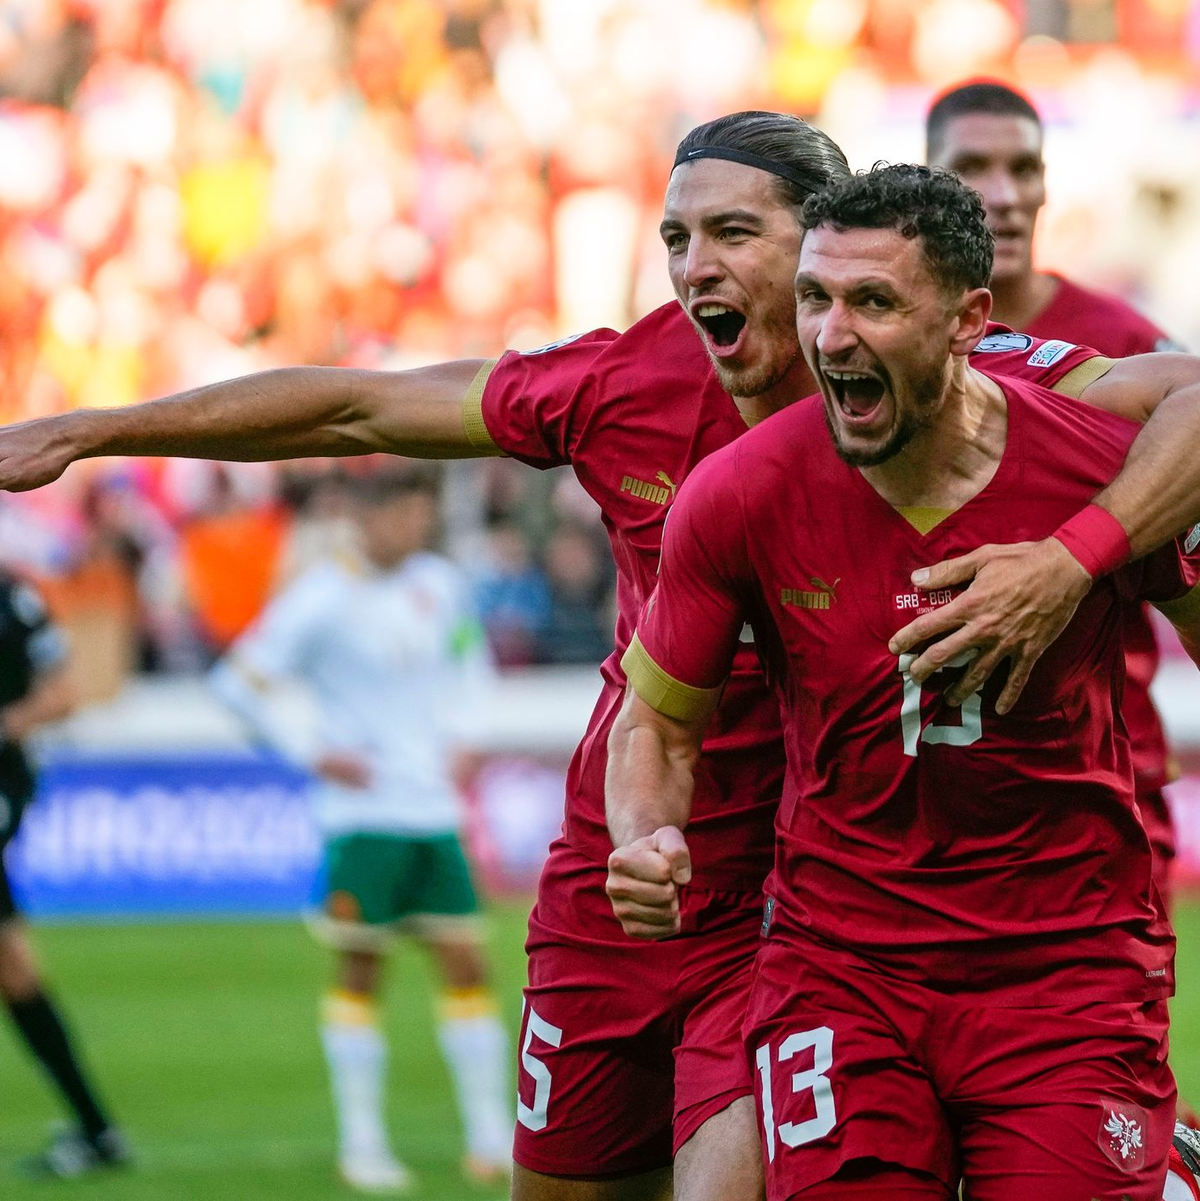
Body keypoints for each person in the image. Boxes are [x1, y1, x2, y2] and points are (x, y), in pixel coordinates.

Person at [1, 112, 1200, 1201]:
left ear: (823, 246)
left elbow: (1174, 404)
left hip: (811, 903)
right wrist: (95, 428)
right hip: (625, 873)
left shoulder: (974, 387)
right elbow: (359, 408)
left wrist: (1074, 559)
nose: (695, 267)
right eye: (677, 236)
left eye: (735, 231)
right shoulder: (623, 384)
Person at [606, 163, 1200, 1200]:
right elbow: (656, 726)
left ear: (971, 319)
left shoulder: (1099, 469)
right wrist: (645, 833)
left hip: (1067, 972)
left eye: (874, 302)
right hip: (843, 970)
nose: (831, 337)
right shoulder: (740, 495)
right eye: (816, 298)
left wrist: (1073, 561)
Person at [211, 468, 512, 1194]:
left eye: (422, 517)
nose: (417, 530)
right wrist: (310, 751)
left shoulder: (439, 583)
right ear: (367, 517)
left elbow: (471, 658)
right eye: (406, 517)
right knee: (361, 969)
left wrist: (469, 732)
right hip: (363, 818)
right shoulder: (319, 599)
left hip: (431, 807)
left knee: (467, 963)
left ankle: (491, 1137)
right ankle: (364, 1142)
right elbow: (236, 681)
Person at [926, 77, 1186, 904]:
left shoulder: (1137, 351)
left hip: (1102, 771)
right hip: (914, 785)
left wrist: (1073, 559)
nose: (1004, 197)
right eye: (973, 166)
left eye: (1024, 169)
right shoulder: (871, 341)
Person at [0, 570, 130, 1178]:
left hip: (2, 785)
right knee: (12, 964)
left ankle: (97, 1128)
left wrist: (7, 724)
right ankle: (97, 1129)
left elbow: (62, 695)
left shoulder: (16, 601)